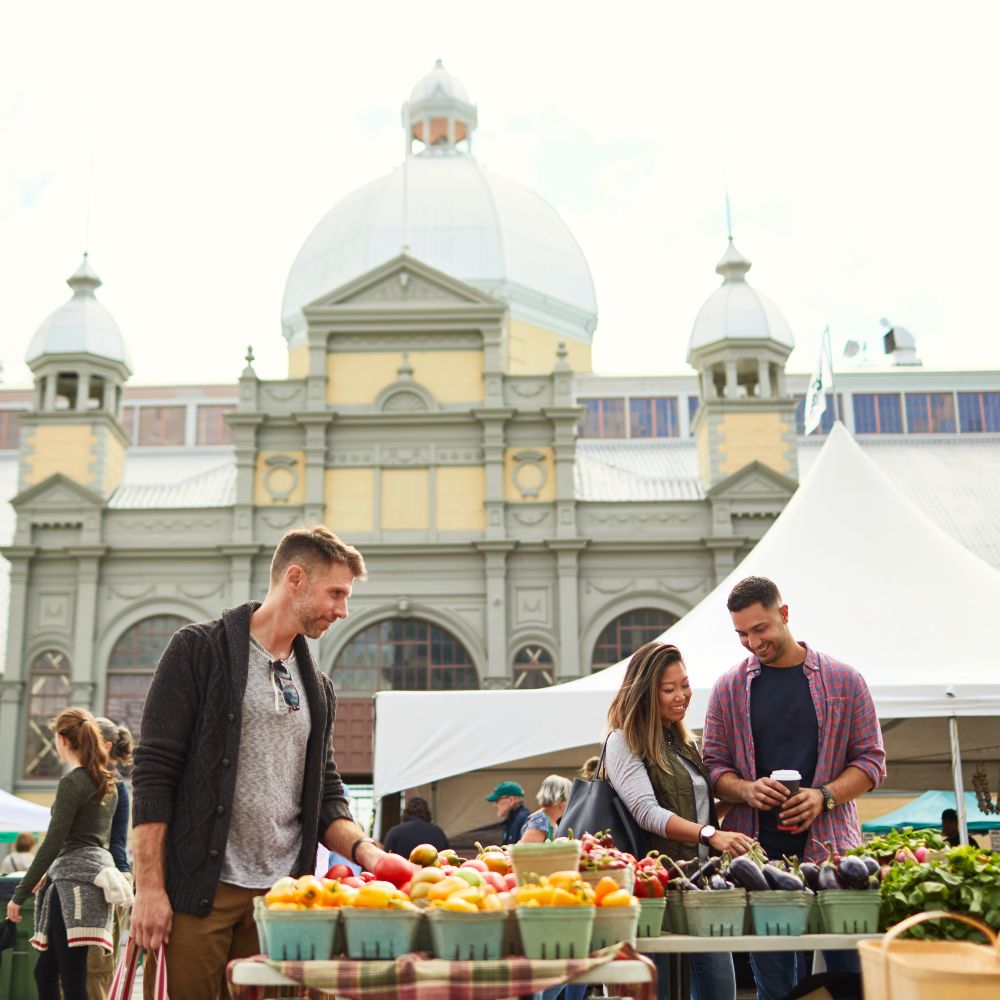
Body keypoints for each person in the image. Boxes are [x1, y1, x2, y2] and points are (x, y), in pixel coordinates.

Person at [130, 524, 388, 1000]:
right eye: (335, 593)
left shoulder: (319, 688)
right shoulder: (197, 651)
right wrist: (149, 888)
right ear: (295, 580)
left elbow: (327, 793)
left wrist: (368, 853)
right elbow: (153, 772)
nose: (342, 610)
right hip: (199, 891)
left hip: (285, 900)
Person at [702, 576, 886, 1000]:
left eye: (760, 629)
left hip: (836, 856)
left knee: (848, 979)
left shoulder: (845, 680)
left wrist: (824, 796)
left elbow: (872, 762)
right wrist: (746, 789)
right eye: (742, 634)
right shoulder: (729, 689)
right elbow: (713, 768)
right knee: (776, 986)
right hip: (759, 859)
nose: (752, 642)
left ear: (784, 615)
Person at [606, 641, 754, 1000]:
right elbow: (647, 812)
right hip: (655, 892)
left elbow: (692, 808)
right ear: (644, 693)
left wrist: (739, 803)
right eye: (668, 689)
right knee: (662, 991)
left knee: (720, 990)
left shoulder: (683, 742)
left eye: (684, 685)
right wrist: (709, 834)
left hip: (701, 890)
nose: (681, 696)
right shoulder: (623, 741)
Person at [5, 707, 119, 1000]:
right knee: (50, 972)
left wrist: (20, 894)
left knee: (71, 977)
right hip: (89, 881)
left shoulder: (73, 782)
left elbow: (54, 841)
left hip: (71, 886)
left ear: (63, 739)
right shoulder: (108, 784)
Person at [87, 717, 135, 1000]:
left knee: (96, 968)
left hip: (107, 878)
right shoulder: (99, 780)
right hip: (112, 874)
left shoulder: (108, 784)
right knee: (95, 967)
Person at [382, 797, 449, 858]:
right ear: (427, 812)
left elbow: (386, 858)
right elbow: (447, 856)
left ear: (406, 811)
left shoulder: (395, 832)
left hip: (404, 870)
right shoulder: (439, 832)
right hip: (433, 871)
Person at [519, 775, 573, 844]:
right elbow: (526, 850)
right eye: (570, 799)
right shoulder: (541, 820)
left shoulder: (550, 820)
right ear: (561, 800)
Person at [485, 780, 531, 845]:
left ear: (511, 800)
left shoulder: (523, 819)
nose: (494, 806)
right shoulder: (512, 820)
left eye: (497, 801)